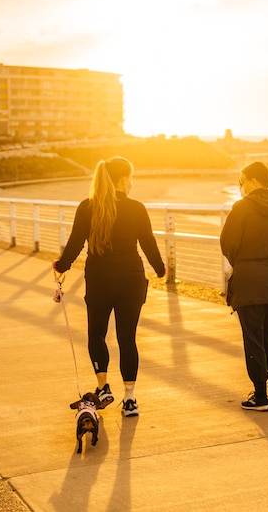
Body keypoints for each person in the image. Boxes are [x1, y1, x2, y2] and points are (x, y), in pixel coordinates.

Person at [53, 157, 165, 417]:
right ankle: (130, 399)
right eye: (131, 178)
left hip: (100, 279)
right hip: (131, 279)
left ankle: (104, 388)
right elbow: (149, 245)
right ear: (124, 179)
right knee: (127, 339)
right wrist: (161, 269)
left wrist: (61, 265)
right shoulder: (136, 208)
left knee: (96, 335)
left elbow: (75, 244)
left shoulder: (88, 207)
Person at [220, 161, 268, 412]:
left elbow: (228, 244)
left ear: (251, 181)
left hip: (250, 276)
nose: (240, 187)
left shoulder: (242, 207)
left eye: (241, 182)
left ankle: (260, 396)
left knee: (253, 336)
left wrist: (245, 262)